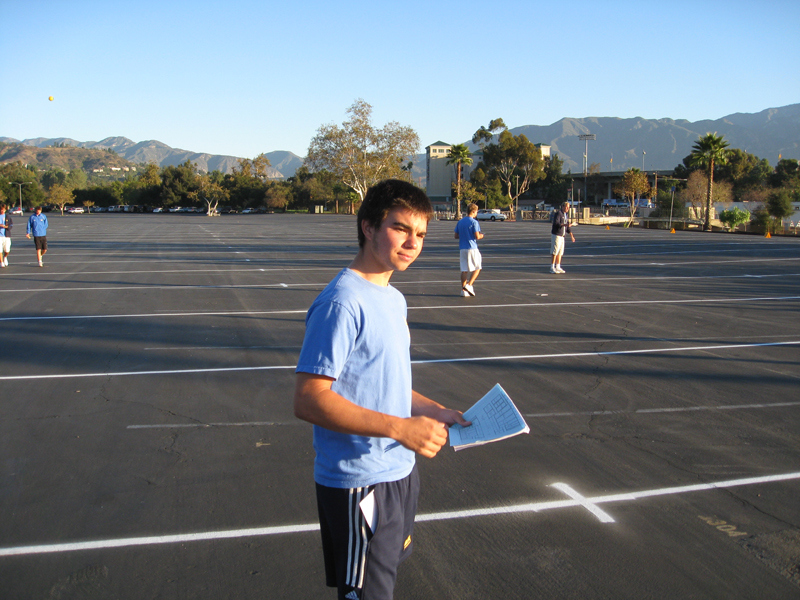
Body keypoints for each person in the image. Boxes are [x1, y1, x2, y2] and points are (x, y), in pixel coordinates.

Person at [294, 179, 471, 600]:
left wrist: (434, 410)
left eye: (421, 233)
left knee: (383, 583)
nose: (412, 243)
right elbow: (308, 398)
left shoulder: (392, 299)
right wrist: (399, 429)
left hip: (399, 474)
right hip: (360, 485)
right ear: (368, 226)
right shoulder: (342, 302)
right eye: (400, 228)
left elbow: (382, 384)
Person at [454, 203, 484, 296]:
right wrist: (482, 235)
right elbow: (477, 236)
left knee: (464, 270)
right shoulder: (474, 222)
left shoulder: (460, 221)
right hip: (472, 247)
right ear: (473, 211)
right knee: (478, 267)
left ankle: (463, 290)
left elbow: (456, 235)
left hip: (462, 248)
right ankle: (469, 285)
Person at [550, 201, 575, 274]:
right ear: (563, 206)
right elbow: (556, 223)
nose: (567, 208)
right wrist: (565, 225)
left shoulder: (565, 215)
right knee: (555, 251)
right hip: (557, 235)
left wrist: (571, 236)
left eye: (568, 207)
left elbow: (567, 227)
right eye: (566, 207)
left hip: (562, 236)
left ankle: (558, 266)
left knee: (560, 252)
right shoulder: (558, 214)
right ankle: (552, 267)